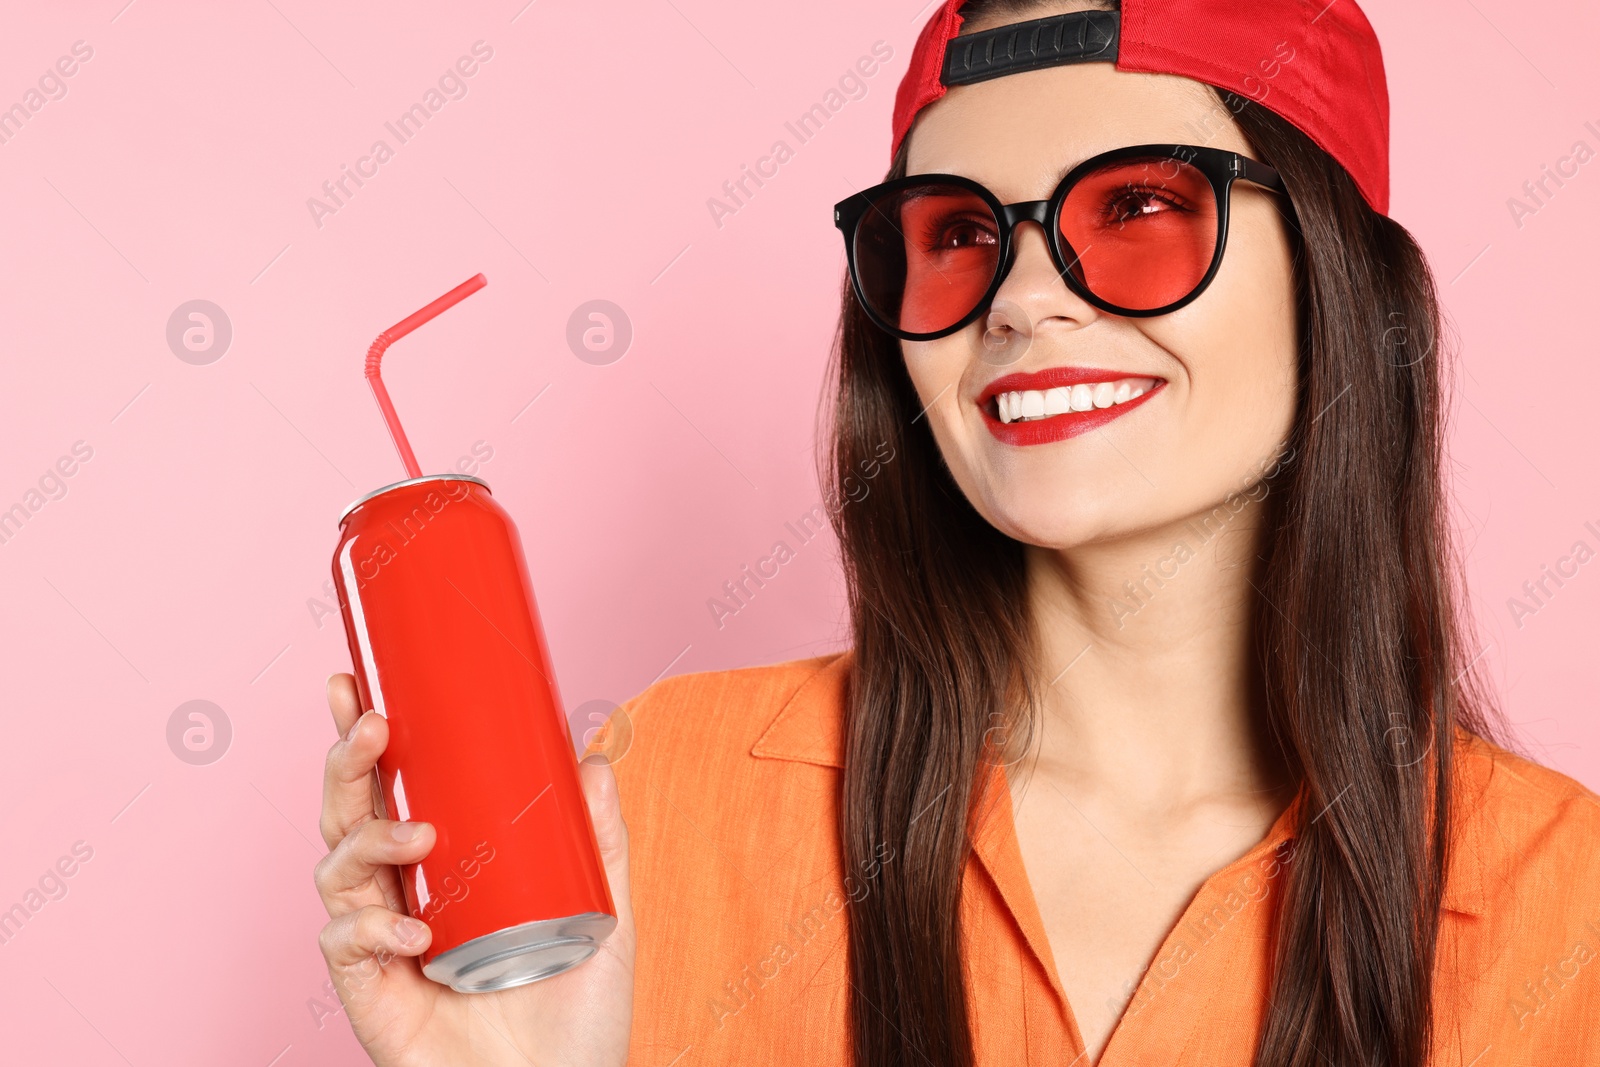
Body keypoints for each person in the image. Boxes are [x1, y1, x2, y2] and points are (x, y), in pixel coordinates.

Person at [312, 0, 1600, 1064]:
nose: (1024, 301)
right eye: (961, 235)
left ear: (1338, 282)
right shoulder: (652, 804)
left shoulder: (1567, 911)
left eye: (1141, 209)